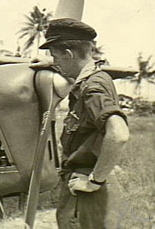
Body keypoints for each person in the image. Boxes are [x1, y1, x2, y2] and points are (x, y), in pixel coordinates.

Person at [31, 18, 130, 228]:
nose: (53, 61)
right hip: (88, 189)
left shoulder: (92, 88)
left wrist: (94, 181)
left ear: (69, 54)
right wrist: (52, 63)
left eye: (55, 56)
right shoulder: (97, 77)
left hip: (85, 189)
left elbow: (119, 134)